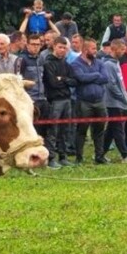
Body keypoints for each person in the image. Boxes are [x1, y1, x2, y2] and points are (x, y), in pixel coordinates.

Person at [70, 38, 109, 164]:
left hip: (99, 101)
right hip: (84, 101)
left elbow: (105, 78)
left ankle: (99, 156)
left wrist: (90, 77)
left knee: (100, 130)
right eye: (93, 48)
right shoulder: (76, 64)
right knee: (82, 130)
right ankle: (79, 157)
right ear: (85, 50)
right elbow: (81, 78)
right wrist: (96, 75)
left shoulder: (99, 63)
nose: (96, 51)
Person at [100, 39, 127, 164]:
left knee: (111, 130)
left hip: (119, 101)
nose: (123, 51)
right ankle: (125, 155)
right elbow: (111, 85)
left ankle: (100, 154)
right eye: (121, 49)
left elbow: (120, 82)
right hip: (112, 102)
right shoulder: (108, 65)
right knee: (118, 129)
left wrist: (125, 97)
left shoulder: (116, 63)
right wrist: (123, 97)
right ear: (114, 49)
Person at [43, 37, 77, 169]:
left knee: (65, 130)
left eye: (64, 48)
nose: (62, 50)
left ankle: (63, 156)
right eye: (60, 47)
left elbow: (74, 81)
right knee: (53, 130)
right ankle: (51, 158)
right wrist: (65, 80)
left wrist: (62, 79)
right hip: (54, 100)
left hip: (67, 99)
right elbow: (53, 83)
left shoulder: (66, 64)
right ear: (54, 46)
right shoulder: (48, 63)